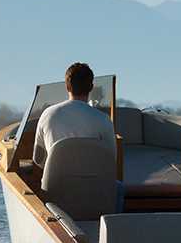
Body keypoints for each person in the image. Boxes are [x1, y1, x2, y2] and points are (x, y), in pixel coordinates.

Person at [34, 61, 123, 210]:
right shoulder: (103, 120)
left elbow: (38, 159)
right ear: (91, 87)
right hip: (95, 193)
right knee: (119, 188)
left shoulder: (48, 115)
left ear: (66, 86)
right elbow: (110, 160)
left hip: (56, 191)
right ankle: (114, 226)